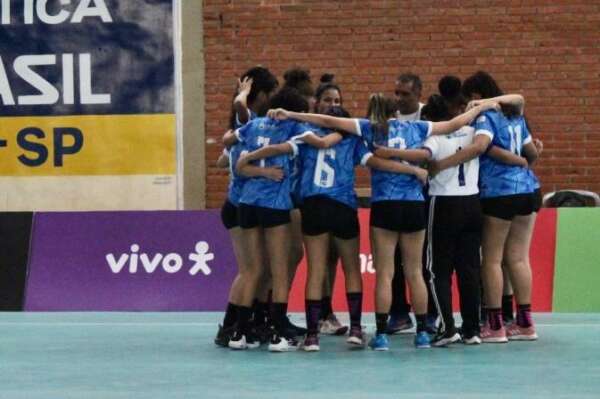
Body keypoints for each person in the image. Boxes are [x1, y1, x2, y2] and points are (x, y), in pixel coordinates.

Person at [267, 94, 499, 350]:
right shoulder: (417, 127)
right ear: (396, 110)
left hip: (382, 205)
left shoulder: (368, 127)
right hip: (412, 203)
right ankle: (421, 333)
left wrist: (290, 114)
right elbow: (455, 124)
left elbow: (326, 119)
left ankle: (376, 335)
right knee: (414, 272)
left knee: (385, 273)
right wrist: (483, 107)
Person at [238, 106, 428, 351]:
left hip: (313, 205)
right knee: (351, 269)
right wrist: (413, 169)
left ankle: (312, 336)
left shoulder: (305, 136)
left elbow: (281, 148)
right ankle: (357, 330)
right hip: (343, 206)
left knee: (316, 270)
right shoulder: (352, 139)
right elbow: (377, 163)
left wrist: (249, 159)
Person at [432, 71, 539, 343]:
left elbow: (481, 146)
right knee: (517, 258)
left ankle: (495, 325)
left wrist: (442, 165)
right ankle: (525, 323)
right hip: (528, 189)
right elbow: (532, 154)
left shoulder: (485, 117)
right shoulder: (516, 115)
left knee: (491, 259)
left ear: (478, 96)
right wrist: (520, 161)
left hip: (499, 193)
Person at [223, 86, 311, 352]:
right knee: (278, 269)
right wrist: (264, 166)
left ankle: (238, 332)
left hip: (246, 203)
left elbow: (229, 142)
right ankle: (277, 333)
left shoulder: (254, 125)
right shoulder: (294, 128)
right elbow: (288, 147)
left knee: (252, 270)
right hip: (274, 203)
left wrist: (250, 161)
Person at [214, 67, 279, 347]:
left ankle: (252, 322)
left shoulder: (244, 130)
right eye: (269, 94)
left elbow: (220, 161)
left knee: (260, 270)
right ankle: (230, 328)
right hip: (239, 206)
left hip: (245, 203)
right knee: (250, 271)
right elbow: (241, 107)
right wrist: (241, 95)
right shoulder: (248, 120)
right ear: (259, 95)